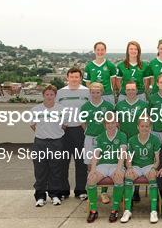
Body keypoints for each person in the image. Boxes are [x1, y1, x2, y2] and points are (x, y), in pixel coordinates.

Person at [86, 113, 127, 223]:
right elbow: (96, 154)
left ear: (116, 124)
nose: (110, 125)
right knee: (91, 179)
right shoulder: (100, 136)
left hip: (116, 165)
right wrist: (93, 169)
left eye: (112, 122)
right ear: (104, 124)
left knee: (118, 178)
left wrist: (119, 169)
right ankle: (93, 210)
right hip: (103, 165)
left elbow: (122, 154)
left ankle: (114, 210)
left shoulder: (122, 135)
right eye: (108, 123)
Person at [56, 67, 89, 200]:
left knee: (81, 162)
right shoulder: (60, 93)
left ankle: (80, 190)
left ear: (80, 78)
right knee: (63, 162)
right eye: (72, 76)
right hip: (64, 130)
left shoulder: (87, 92)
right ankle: (64, 191)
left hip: (80, 130)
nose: (74, 79)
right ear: (67, 77)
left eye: (77, 77)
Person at [80, 82, 115, 204]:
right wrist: (90, 133)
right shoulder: (85, 107)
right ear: (90, 93)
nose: (95, 94)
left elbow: (112, 122)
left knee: (105, 163)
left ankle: (104, 192)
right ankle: (92, 191)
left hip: (105, 139)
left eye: (98, 92)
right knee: (90, 165)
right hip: (90, 138)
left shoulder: (108, 106)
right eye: (93, 92)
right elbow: (83, 123)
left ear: (102, 92)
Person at [121, 118, 161, 223]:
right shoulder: (132, 140)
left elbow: (157, 160)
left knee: (153, 175)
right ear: (138, 127)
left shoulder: (155, 139)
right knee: (128, 175)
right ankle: (127, 210)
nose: (144, 128)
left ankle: (153, 211)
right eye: (142, 126)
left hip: (149, 165)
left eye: (147, 126)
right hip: (136, 166)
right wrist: (129, 167)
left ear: (150, 127)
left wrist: (154, 168)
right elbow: (128, 159)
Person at [30, 85, 65, 207]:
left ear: (55, 96)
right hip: (40, 142)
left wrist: (53, 133)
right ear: (43, 95)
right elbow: (33, 125)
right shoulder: (36, 109)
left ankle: (55, 195)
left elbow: (64, 125)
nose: (49, 97)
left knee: (56, 170)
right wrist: (43, 134)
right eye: (47, 94)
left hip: (56, 142)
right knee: (40, 170)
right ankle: (40, 196)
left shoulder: (61, 109)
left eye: (52, 94)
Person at [115, 81, 149, 203]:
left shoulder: (144, 104)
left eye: (132, 89)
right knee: (123, 164)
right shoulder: (119, 105)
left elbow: (146, 123)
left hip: (137, 138)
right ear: (125, 91)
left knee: (136, 163)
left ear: (136, 91)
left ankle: (136, 191)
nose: (130, 92)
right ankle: (124, 190)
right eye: (128, 89)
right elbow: (117, 123)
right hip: (124, 137)